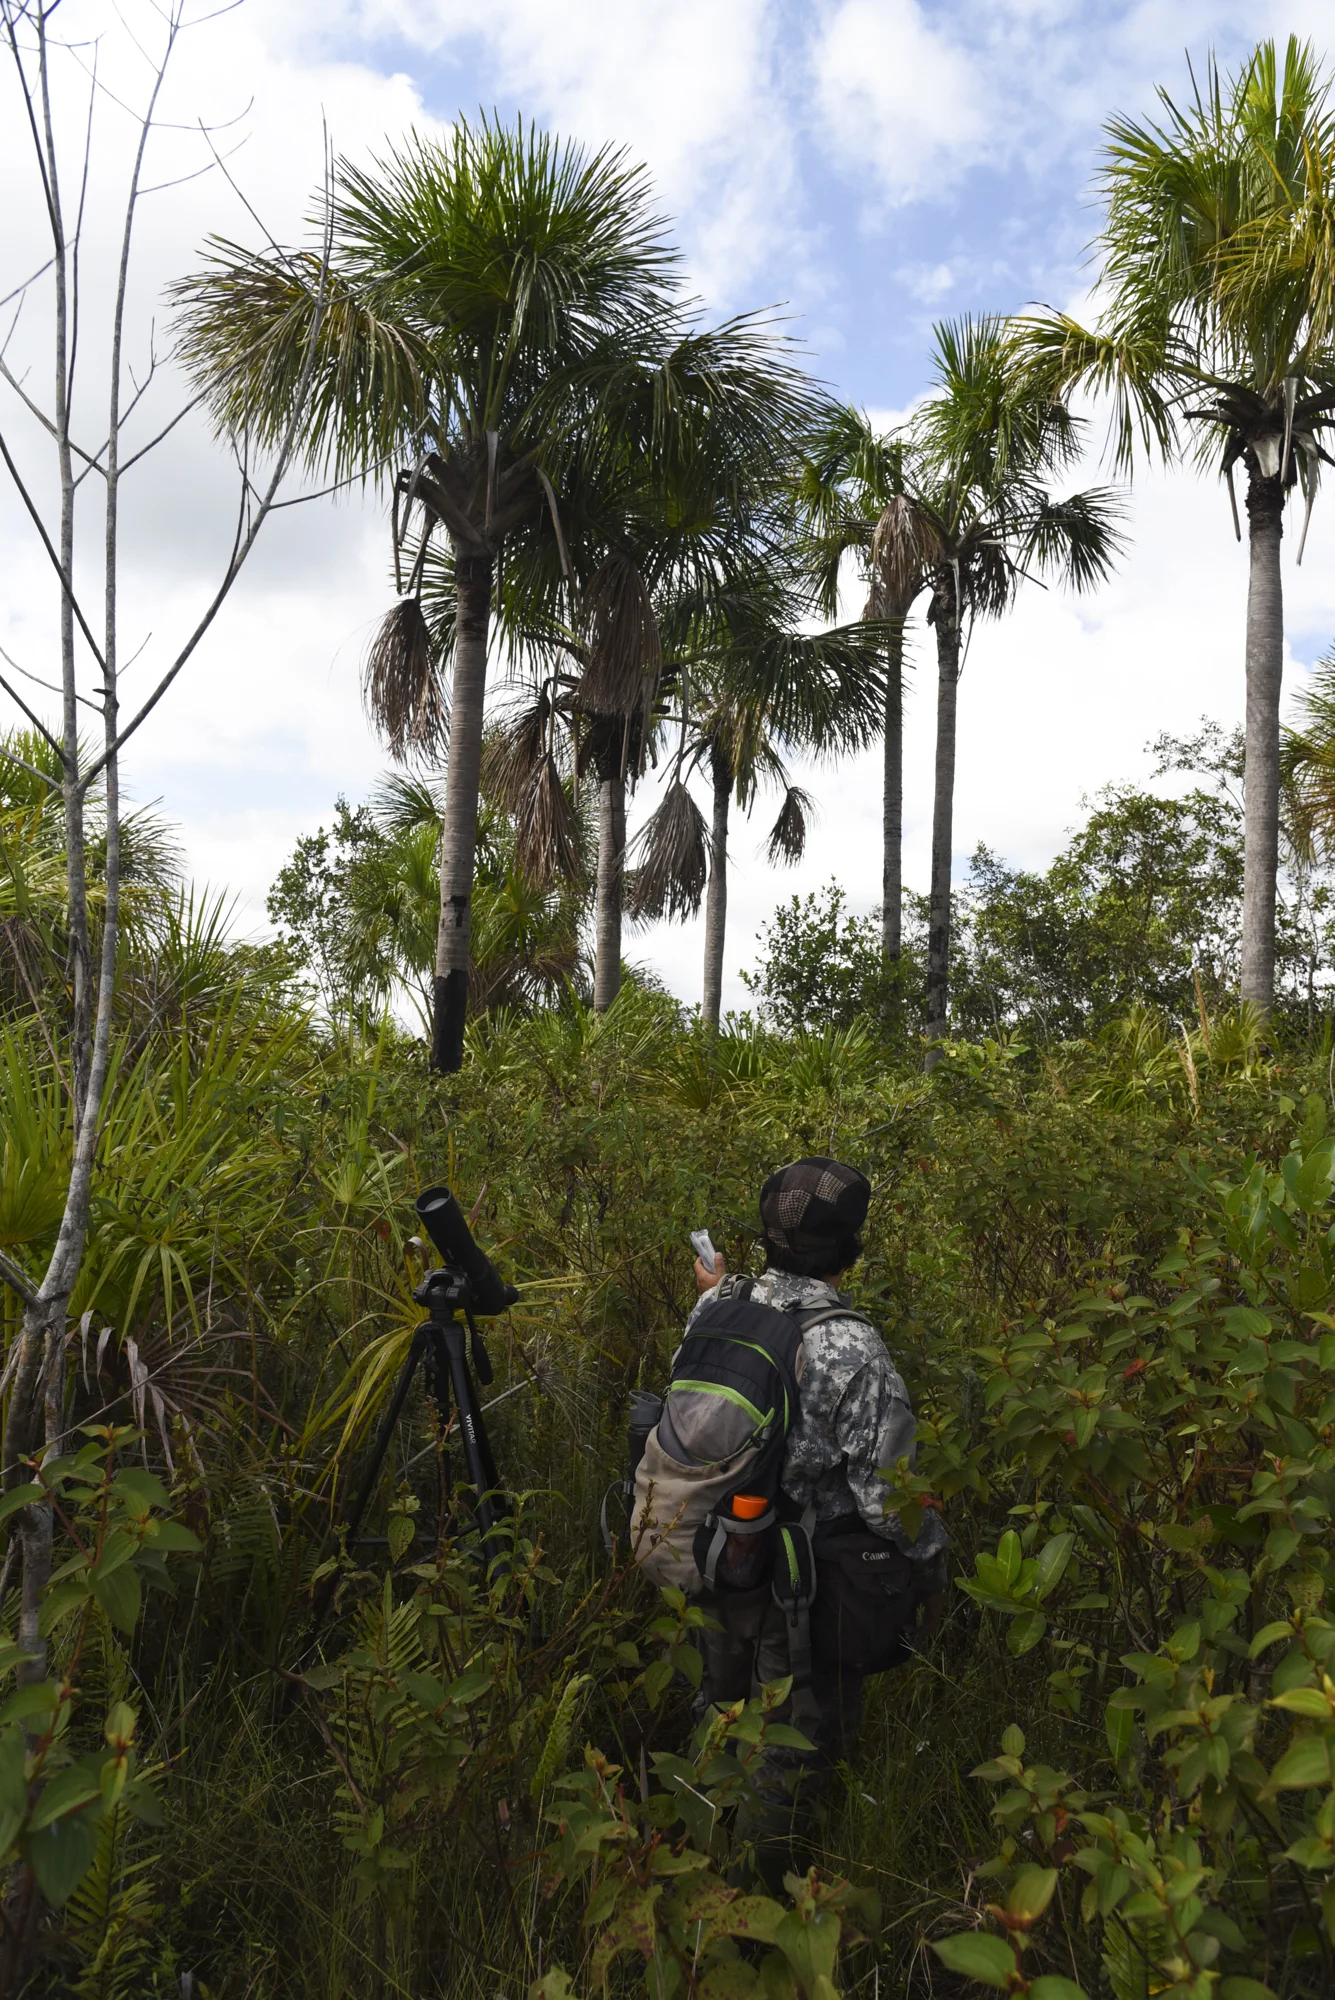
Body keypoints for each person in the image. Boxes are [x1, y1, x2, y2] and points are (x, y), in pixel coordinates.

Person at [687, 1156, 947, 1872]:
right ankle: (747, 1903)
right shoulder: (851, 1346)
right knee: (792, 1750)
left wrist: (717, 1287)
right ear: (851, 1246)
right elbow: (892, 1502)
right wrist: (933, 1578)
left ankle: (686, 1858)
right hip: (796, 1588)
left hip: (710, 1554)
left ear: (767, 1234)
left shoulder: (719, 1307)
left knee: (717, 1708)